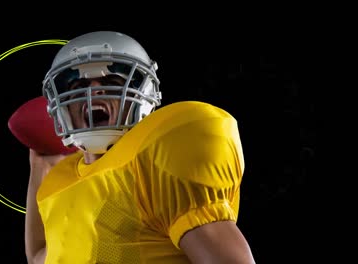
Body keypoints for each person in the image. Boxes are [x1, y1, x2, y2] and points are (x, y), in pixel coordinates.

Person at [24, 31, 256, 264]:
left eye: (111, 82)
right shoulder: (62, 182)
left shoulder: (157, 155)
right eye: (79, 84)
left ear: (144, 95)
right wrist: (41, 167)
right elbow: (40, 256)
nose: (94, 91)